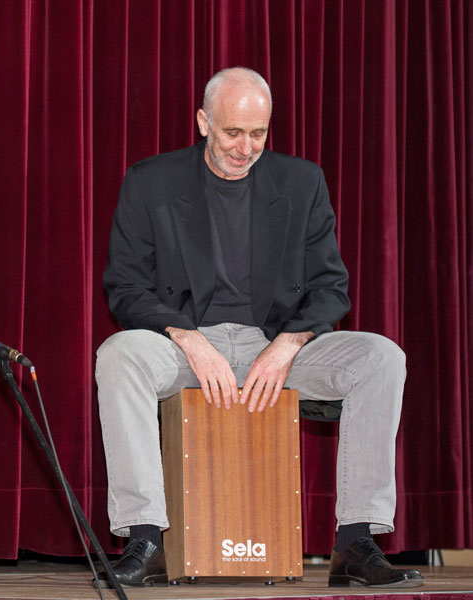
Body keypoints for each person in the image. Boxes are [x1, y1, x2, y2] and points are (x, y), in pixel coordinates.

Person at [95, 67, 423, 588]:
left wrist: (288, 344)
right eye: (232, 133)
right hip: (185, 344)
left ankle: (356, 541)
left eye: (258, 134)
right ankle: (146, 538)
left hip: (275, 345)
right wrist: (187, 337)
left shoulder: (302, 182)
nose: (245, 148)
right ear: (203, 122)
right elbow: (125, 286)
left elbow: (331, 287)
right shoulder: (150, 182)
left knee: (382, 357)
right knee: (118, 355)